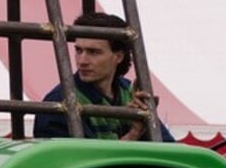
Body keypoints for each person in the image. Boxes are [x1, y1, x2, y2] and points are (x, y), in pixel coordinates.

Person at [34, 12, 174, 142]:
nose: (82, 61)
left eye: (94, 52)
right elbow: (82, 165)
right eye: (79, 50)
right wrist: (134, 133)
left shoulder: (129, 92)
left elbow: (169, 149)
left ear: (118, 56)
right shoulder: (59, 102)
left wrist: (146, 122)